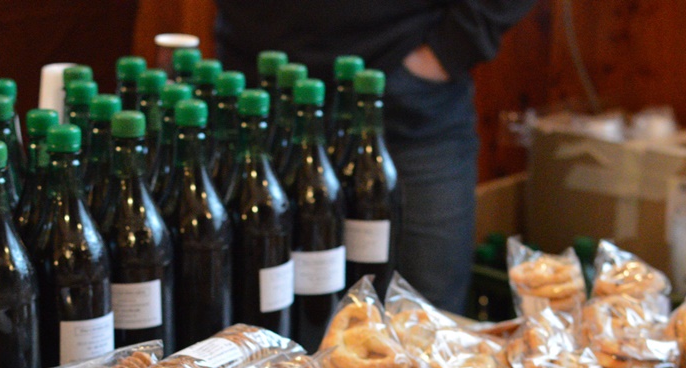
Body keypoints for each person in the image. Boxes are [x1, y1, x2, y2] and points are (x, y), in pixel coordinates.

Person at [215, 0, 538, 314]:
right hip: (260, 104)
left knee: (427, 315)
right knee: (253, 315)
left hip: (406, 105)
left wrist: (445, 51)